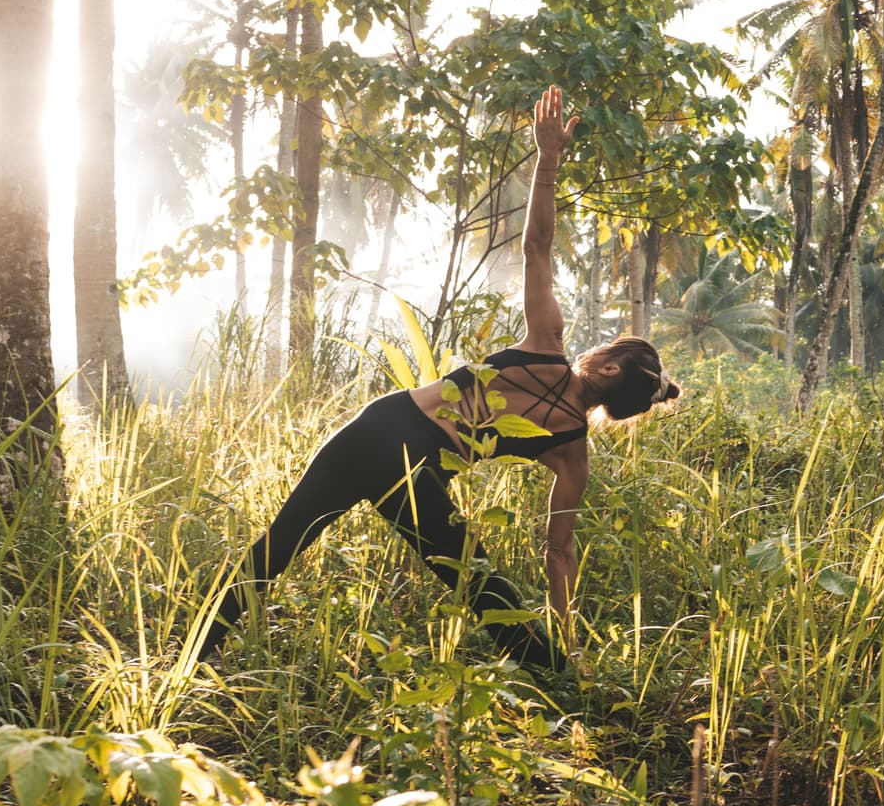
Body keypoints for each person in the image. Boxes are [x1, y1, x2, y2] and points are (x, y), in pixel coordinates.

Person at [196, 86, 681, 670]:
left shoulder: (547, 344)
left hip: (379, 427)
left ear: (608, 367)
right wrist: (569, 630)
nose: (600, 346)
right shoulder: (572, 450)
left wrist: (548, 160)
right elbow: (560, 554)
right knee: (475, 582)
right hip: (415, 465)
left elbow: (537, 247)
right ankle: (558, 672)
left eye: (610, 348)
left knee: (277, 548)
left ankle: (193, 654)